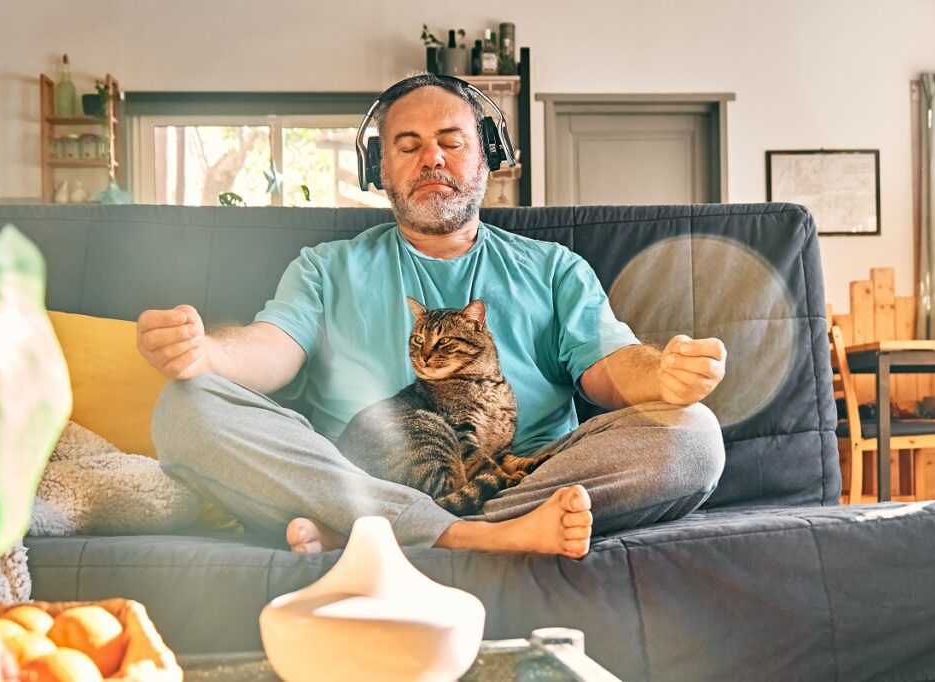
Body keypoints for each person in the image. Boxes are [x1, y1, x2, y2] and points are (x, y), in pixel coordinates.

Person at [137, 74, 727, 560]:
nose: (431, 158)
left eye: (452, 140)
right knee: (185, 408)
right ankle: (464, 535)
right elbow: (273, 345)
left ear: (487, 156)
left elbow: (608, 369)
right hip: (352, 476)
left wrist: (663, 374)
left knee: (694, 436)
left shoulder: (553, 268)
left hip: (522, 476)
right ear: (380, 169)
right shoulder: (323, 267)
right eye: (407, 145)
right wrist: (208, 354)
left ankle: (371, 534)